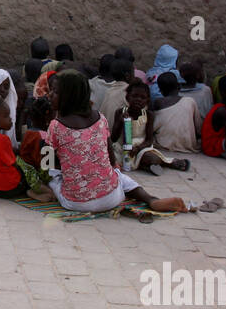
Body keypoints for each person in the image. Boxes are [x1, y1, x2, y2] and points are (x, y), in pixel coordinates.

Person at [42, 71, 189, 213]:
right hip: (112, 198)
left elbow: (46, 164)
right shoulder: (100, 118)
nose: (49, 95)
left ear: (68, 97)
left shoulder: (56, 126)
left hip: (75, 203)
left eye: (55, 92)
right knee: (118, 174)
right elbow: (111, 159)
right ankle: (150, 199)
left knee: (52, 177)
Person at [112, 80, 191, 174]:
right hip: (122, 148)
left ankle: (167, 163)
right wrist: (121, 122)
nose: (138, 100)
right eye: (135, 96)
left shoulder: (149, 115)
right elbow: (114, 137)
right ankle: (149, 166)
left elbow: (149, 140)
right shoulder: (120, 112)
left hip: (141, 148)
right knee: (110, 158)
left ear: (147, 101)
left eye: (142, 98)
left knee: (151, 158)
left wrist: (137, 149)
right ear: (127, 97)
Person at [151, 72, 201, 153]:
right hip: (187, 144)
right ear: (179, 86)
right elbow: (198, 128)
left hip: (163, 144)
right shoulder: (190, 101)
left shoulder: (158, 102)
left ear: (160, 90)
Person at [96, 57, 134, 131]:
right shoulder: (129, 91)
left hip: (106, 135)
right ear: (127, 75)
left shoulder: (109, 91)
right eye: (133, 73)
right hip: (120, 137)